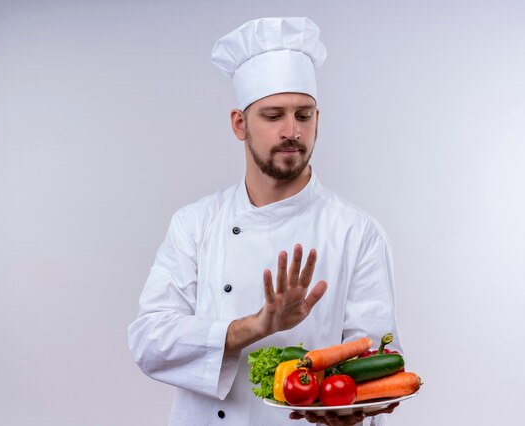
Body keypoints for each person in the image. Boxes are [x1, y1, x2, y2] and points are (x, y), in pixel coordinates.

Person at [128, 17, 402, 426]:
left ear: (317, 119)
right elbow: (150, 343)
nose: (292, 131)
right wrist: (253, 326)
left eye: (304, 115)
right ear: (240, 123)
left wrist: (355, 410)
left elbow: (380, 364)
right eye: (273, 116)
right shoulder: (195, 224)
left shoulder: (357, 233)